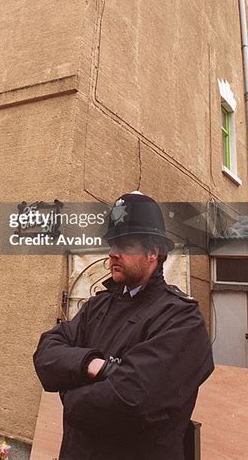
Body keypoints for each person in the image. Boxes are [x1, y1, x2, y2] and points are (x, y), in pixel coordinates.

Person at [33, 191, 214, 460]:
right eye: (112, 243)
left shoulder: (181, 320)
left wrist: (69, 391)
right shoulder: (98, 307)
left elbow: (131, 401)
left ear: (153, 252)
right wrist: (93, 365)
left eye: (125, 244)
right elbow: (46, 354)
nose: (113, 253)